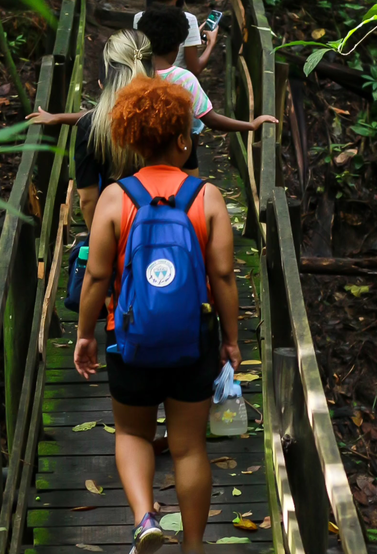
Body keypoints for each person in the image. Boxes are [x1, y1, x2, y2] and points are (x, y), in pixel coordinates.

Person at [74, 76, 242, 554]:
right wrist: (230, 340)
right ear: (183, 137)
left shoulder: (115, 197)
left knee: (131, 432)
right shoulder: (206, 196)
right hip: (194, 339)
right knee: (189, 446)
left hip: (129, 339)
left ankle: (146, 517)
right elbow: (225, 277)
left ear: (130, 138)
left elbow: (97, 278)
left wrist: (85, 334)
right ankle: (192, 547)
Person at [26, 30, 153, 229]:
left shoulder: (92, 127)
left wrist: (97, 240)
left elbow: (87, 199)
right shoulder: (171, 113)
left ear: (103, 82)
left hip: (118, 226)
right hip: (164, 223)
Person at [138, 6, 279, 153]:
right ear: (178, 45)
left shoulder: (133, 71)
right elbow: (211, 119)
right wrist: (251, 125)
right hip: (177, 152)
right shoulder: (184, 79)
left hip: (140, 150)